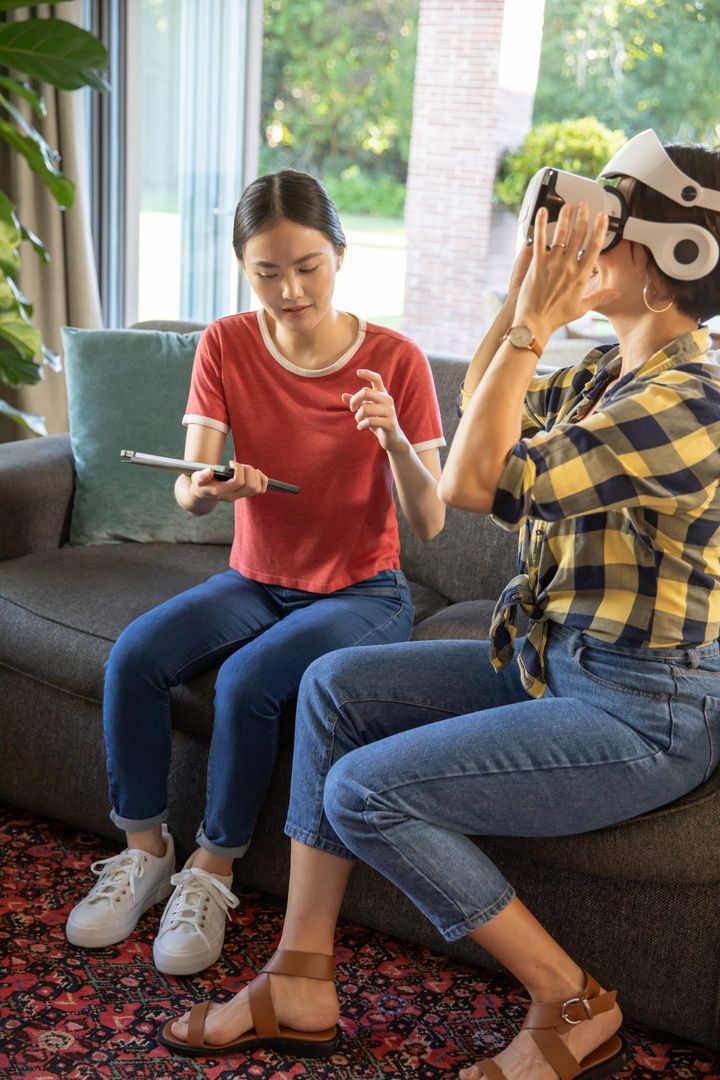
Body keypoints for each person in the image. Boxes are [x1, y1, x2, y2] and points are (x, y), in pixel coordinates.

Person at [158, 136, 720, 1079]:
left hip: (646, 708)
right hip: (561, 664)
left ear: (669, 273)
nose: (578, 256)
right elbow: (483, 414)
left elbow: (470, 479)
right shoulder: (606, 377)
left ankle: (571, 1001)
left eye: (603, 242)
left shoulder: (692, 401)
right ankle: (299, 978)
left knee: (363, 789)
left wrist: (537, 317)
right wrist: (521, 297)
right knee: (334, 687)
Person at [65, 169, 446, 977]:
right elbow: (190, 487)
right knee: (135, 657)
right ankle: (144, 853)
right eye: (267, 271)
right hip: (254, 577)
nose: (290, 289)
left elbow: (433, 519)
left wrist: (395, 443)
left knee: (247, 683)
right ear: (244, 267)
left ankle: (213, 870)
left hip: (361, 591)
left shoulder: (395, 361)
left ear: (340, 254)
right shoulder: (228, 343)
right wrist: (207, 486)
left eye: (307, 266)